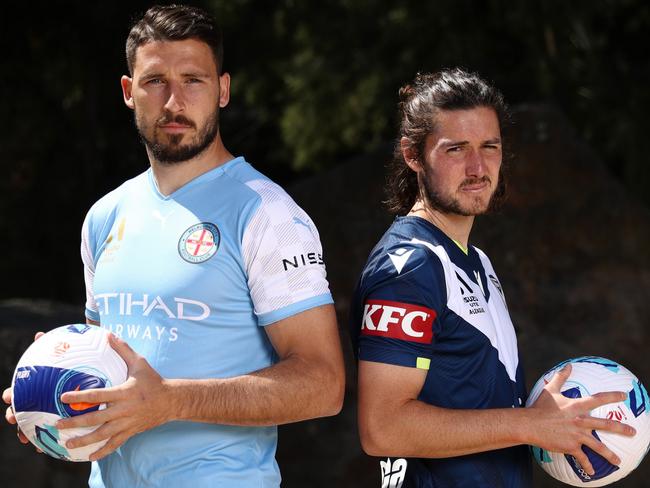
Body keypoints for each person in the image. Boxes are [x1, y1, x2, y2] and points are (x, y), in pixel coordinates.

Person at [3, 4, 344, 487]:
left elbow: (324, 385)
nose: (173, 102)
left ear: (223, 90)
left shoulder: (267, 213)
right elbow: (108, 363)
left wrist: (172, 401)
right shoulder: (106, 216)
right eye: (155, 81)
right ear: (128, 92)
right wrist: (52, 384)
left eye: (193, 80)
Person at [349, 69, 634, 487]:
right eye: (456, 149)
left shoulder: (476, 261)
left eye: (489, 147)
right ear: (412, 155)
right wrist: (528, 424)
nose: (478, 167)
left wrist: (548, 422)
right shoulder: (408, 268)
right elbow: (383, 428)